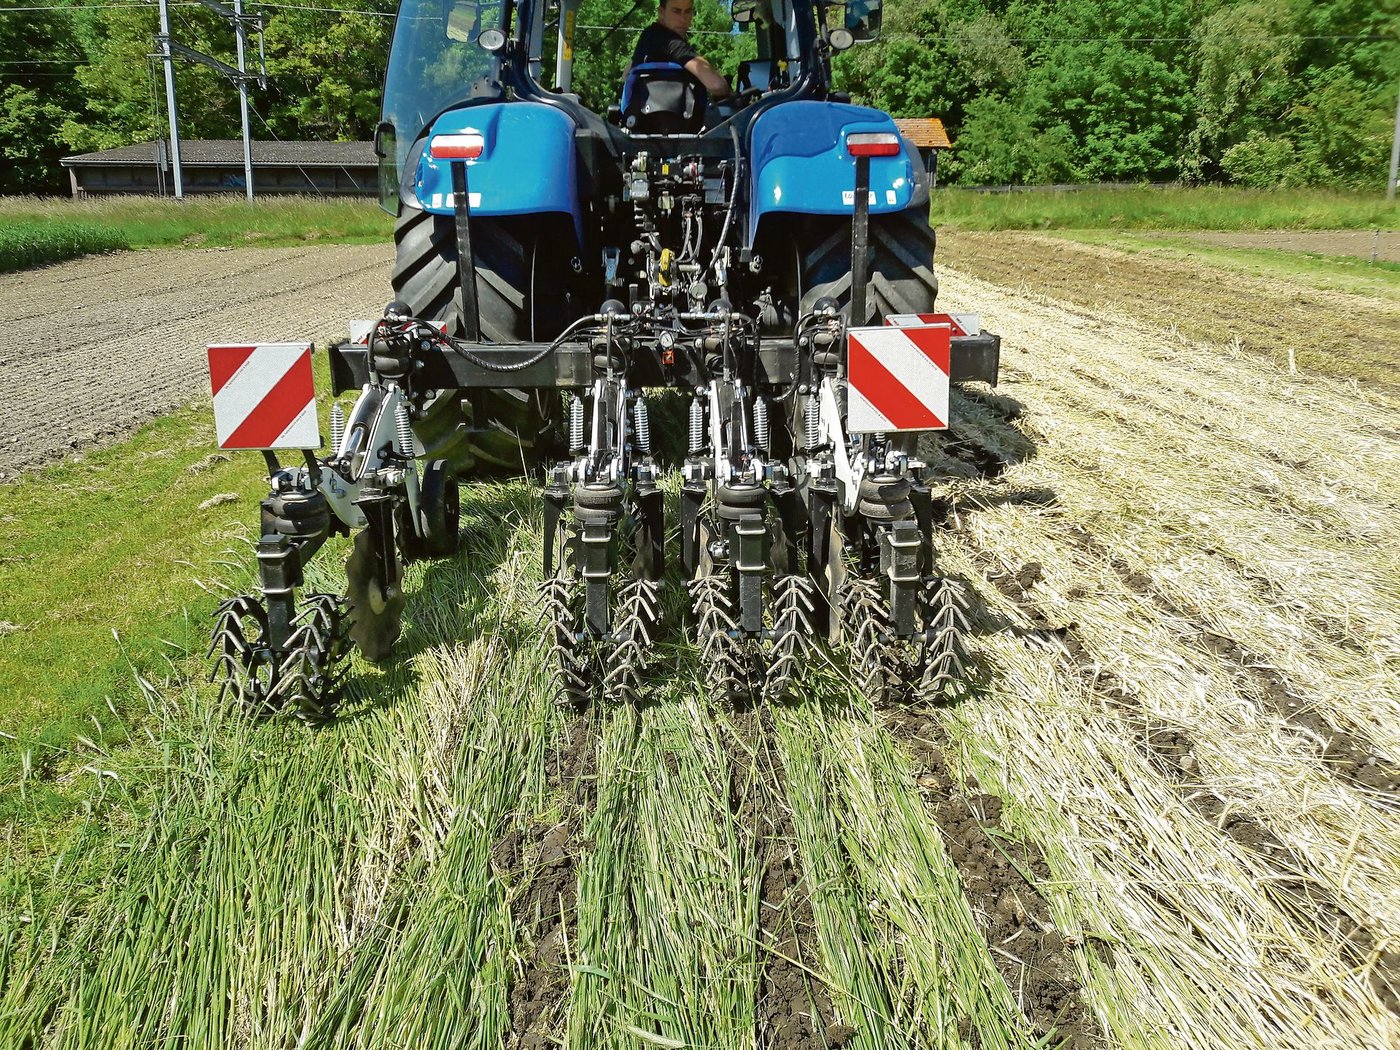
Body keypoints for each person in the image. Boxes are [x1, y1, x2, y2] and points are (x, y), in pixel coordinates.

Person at [631, 0, 731, 99]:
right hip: (677, 114)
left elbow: (627, 74)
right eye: (676, 11)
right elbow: (716, 85)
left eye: (687, 11)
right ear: (661, 12)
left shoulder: (647, 36)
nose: (683, 19)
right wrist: (728, 90)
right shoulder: (673, 43)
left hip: (638, 113)